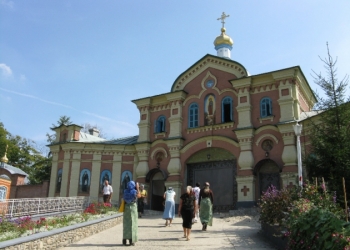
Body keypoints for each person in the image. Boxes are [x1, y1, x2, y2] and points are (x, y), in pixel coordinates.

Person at [122, 181, 139, 246]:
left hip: (126, 208)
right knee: (133, 223)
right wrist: (137, 188)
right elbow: (139, 196)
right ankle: (131, 240)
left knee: (126, 224)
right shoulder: (134, 191)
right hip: (133, 208)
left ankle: (124, 240)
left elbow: (124, 198)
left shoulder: (125, 191)